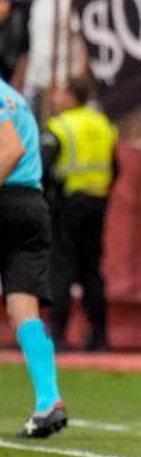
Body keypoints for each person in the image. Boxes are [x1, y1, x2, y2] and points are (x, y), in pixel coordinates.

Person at [0, 74, 67, 437]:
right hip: (32, 206)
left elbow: (11, 149)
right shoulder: (14, 97)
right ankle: (48, 401)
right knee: (22, 308)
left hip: (5, 195)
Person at [43, 76, 117, 350]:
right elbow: (115, 167)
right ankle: (100, 335)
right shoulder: (103, 124)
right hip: (97, 203)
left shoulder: (61, 127)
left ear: (73, 96)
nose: (54, 98)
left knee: (61, 268)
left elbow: (44, 168)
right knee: (91, 271)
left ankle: (58, 334)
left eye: (60, 93)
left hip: (67, 205)